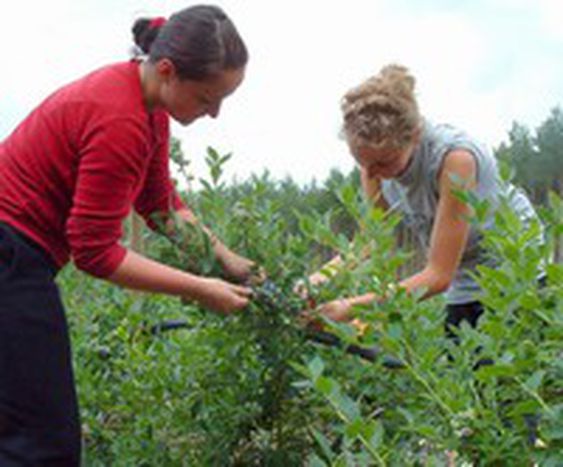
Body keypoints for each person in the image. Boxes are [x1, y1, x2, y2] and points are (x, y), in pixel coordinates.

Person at [0, 5, 254, 465]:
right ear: (167, 70)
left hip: (17, 254)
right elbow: (94, 252)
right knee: (41, 445)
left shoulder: (146, 103)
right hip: (10, 256)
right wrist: (201, 289)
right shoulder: (121, 120)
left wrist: (227, 260)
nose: (214, 113)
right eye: (205, 98)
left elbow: (159, 203)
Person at [307, 64, 543, 336]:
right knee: (463, 366)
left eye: (384, 163)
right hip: (464, 275)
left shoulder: (454, 159)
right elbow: (373, 240)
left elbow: (438, 275)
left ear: (415, 137)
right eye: (362, 162)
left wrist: (353, 308)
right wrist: (315, 282)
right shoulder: (373, 166)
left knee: (507, 366)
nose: (372, 174)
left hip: (514, 270)